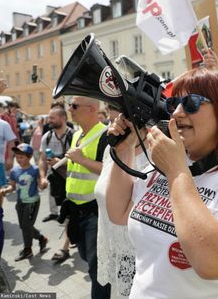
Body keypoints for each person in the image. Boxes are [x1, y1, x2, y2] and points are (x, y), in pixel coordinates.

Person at [106, 69, 218, 298]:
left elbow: (213, 263)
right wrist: (124, 148)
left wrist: (177, 171)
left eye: (191, 103)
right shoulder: (168, 161)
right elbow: (119, 213)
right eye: (174, 102)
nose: (176, 112)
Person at [95, 105, 148, 297]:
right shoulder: (112, 148)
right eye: (109, 107)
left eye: (117, 108)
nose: (112, 115)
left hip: (138, 256)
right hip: (113, 247)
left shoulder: (156, 156)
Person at [62, 96, 110, 298]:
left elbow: (110, 170)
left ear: (91, 109)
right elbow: (78, 169)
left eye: (74, 106)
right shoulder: (77, 134)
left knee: (97, 267)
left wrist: (81, 159)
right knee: (85, 255)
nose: (70, 109)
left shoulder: (105, 134)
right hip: (76, 209)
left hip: (95, 211)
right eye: (69, 105)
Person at [0, 143, 48, 261]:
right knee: (24, 226)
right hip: (20, 202)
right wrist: (5, 190)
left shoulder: (35, 170)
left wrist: (43, 184)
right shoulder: (14, 171)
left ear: (29, 157)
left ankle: (28, 250)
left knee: (26, 225)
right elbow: (12, 186)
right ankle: (41, 238)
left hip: (32, 202)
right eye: (16, 156)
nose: (18, 159)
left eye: (21, 157)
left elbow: (40, 185)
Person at [39, 107, 73, 223]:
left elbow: (81, 162)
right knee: (55, 198)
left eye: (52, 118)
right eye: (49, 118)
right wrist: (42, 177)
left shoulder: (73, 136)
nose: (49, 120)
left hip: (72, 179)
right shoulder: (47, 137)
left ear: (63, 118)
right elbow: (42, 159)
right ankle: (54, 214)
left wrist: (59, 162)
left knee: (71, 212)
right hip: (54, 178)